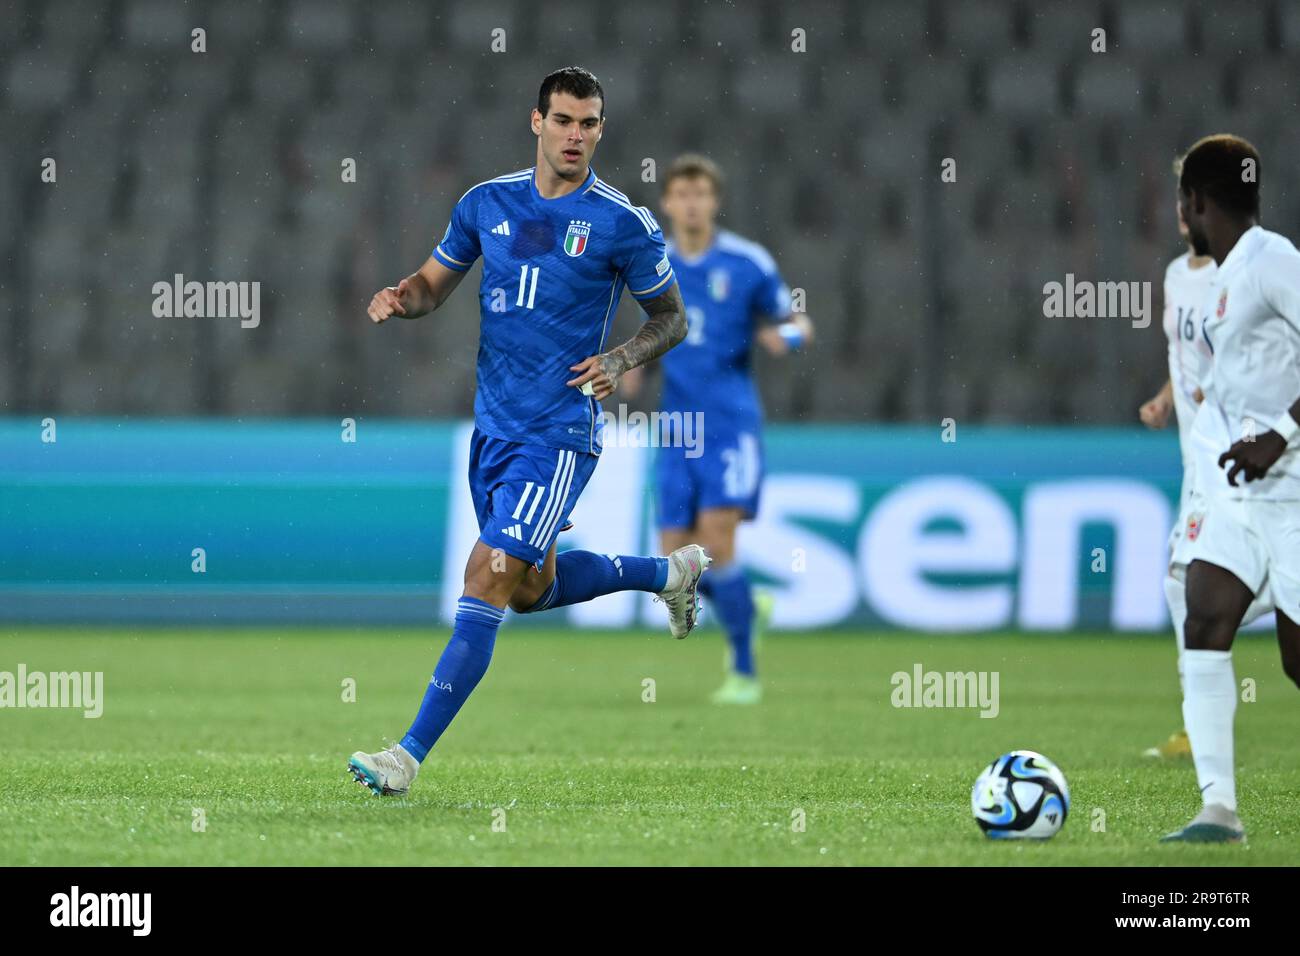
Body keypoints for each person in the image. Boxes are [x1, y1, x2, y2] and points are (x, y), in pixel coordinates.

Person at [347, 67, 711, 797]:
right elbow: (431, 285)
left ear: (601, 130)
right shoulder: (486, 205)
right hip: (495, 431)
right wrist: (402, 297)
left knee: (485, 575)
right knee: (526, 591)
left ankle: (407, 756)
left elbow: (672, 317)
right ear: (536, 122)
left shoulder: (620, 222)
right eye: (566, 120)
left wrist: (621, 356)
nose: (577, 135)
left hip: (558, 432)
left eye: (591, 123)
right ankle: (669, 573)